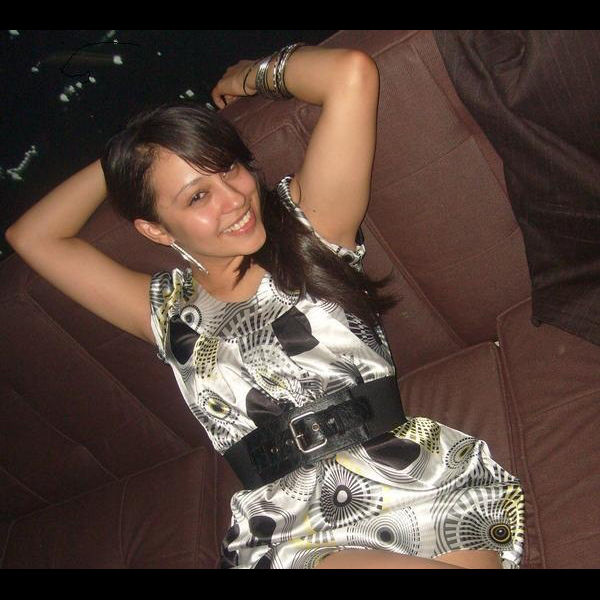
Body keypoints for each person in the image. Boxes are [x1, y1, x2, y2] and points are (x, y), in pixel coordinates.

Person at [5, 43, 524, 569]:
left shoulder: (309, 227)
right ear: (156, 230)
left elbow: (351, 74)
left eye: (229, 169)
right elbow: (33, 237)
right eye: (197, 196)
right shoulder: (165, 312)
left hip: (415, 482)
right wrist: (128, 155)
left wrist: (251, 76)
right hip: (289, 526)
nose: (234, 199)